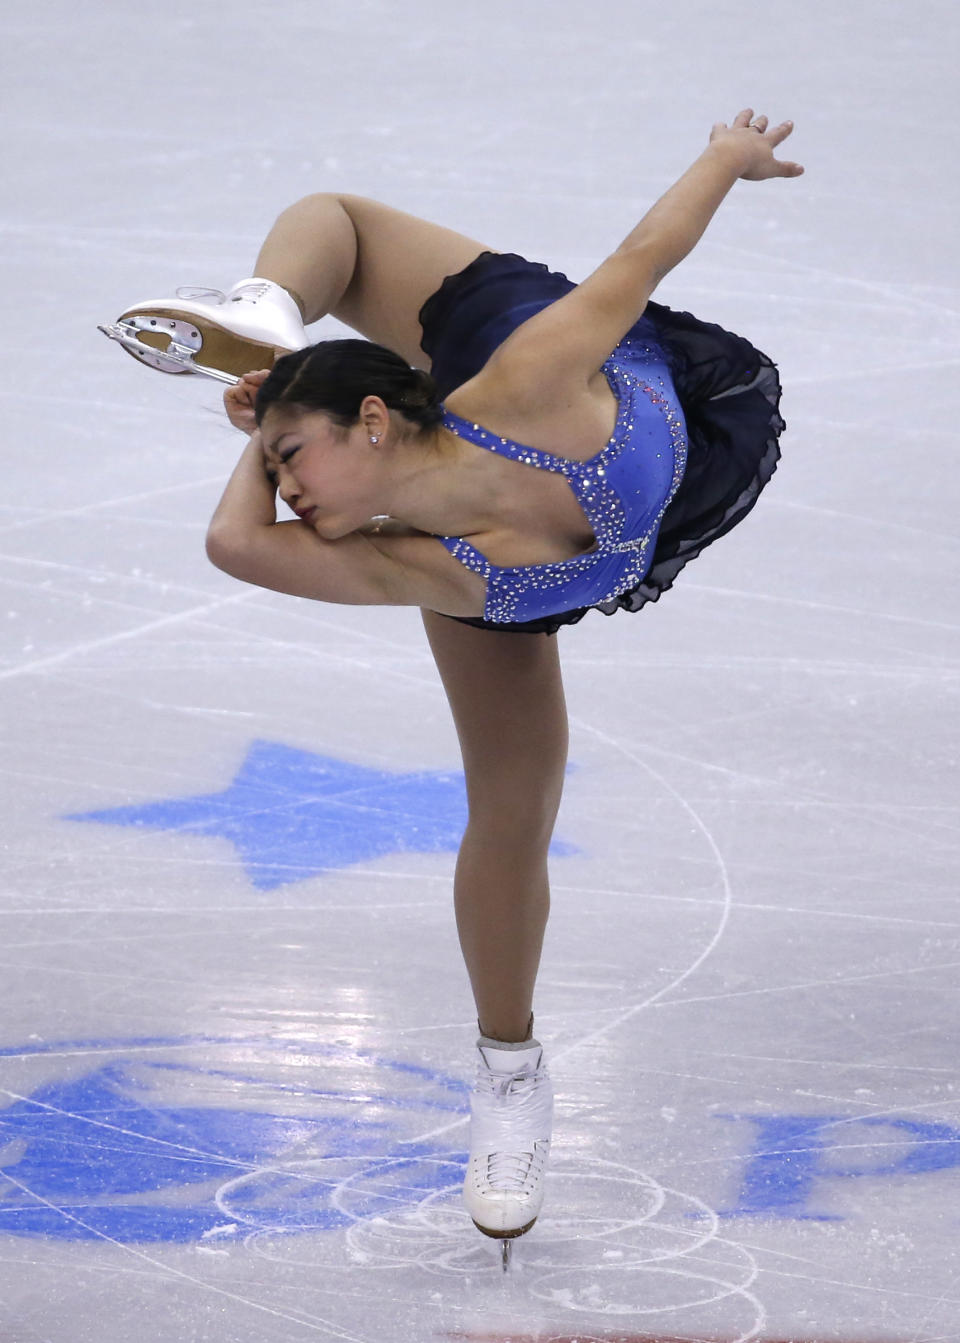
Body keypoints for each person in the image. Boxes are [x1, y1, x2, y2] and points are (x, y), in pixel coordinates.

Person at [99, 109, 802, 1249]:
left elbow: (642, 260)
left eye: (291, 460)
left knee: (346, 228)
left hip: (571, 388)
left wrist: (725, 158)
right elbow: (234, 547)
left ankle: (275, 328)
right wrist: (272, 416)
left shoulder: (531, 380)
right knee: (513, 811)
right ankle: (510, 1077)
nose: (282, 492)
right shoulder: (415, 565)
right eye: (275, 467)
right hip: (491, 546)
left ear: (371, 418)